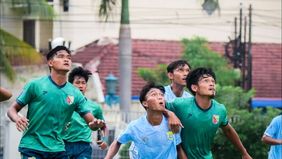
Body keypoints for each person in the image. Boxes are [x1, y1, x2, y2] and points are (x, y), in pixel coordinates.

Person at [7, 45, 105, 159]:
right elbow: (12, 110)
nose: (66, 59)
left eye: (68, 57)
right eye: (61, 56)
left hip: (58, 149)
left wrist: (95, 125)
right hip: (32, 147)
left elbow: (91, 123)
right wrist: (17, 118)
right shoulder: (35, 85)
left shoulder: (75, 93)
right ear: (50, 62)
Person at [166, 67, 252, 159]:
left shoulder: (220, 109)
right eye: (206, 81)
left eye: (213, 81)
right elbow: (157, 107)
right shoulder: (181, 105)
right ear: (195, 88)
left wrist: (244, 153)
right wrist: (169, 113)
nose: (211, 84)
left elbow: (228, 130)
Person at [105, 82, 187, 159]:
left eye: (161, 95)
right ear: (145, 103)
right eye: (154, 94)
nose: (160, 97)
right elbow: (117, 142)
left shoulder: (171, 123)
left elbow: (178, 147)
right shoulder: (135, 126)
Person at [63, 66, 107, 158]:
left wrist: (103, 139)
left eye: (83, 83)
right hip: (63, 145)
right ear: (70, 85)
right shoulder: (62, 103)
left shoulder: (94, 107)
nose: (81, 85)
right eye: (77, 82)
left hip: (83, 146)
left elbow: (102, 126)